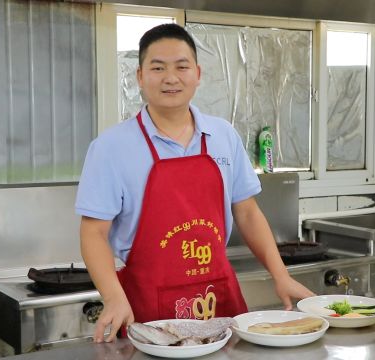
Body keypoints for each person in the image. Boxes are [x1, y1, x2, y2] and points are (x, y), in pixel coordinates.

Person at [76, 23, 315, 343]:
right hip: (148, 307)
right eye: (158, 67)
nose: (170, 77)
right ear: (140, 77)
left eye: (181, 66)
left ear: (198, 74)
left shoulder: (223, 136)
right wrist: (113, 296)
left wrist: (281, 275)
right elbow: (93, 232)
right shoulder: (111, 148)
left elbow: (247, 212)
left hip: (219, 298)